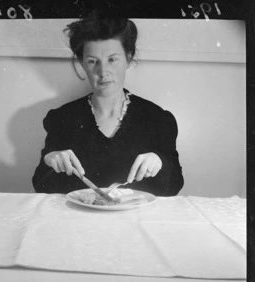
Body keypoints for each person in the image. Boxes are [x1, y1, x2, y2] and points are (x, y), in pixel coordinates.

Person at [32, 12, 184, 196]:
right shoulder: (62, 118)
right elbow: (40, 186)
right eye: (92, 61)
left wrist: (160, 163)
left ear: (128, 58)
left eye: (112, 59)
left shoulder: (157, 118)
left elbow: (175, 185)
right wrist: (49, 160)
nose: (103, 72)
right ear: (82, 63)